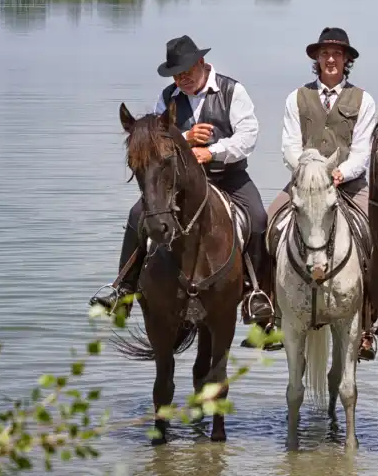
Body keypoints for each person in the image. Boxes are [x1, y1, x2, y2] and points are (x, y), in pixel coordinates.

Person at [89, 35, 275, 327]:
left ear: (201, 63)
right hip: (180, 184)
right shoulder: (167, 97)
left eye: (186, 72)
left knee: (259, 218)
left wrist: (211, 152)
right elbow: (154, 141)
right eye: (177, 75)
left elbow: (248, 137)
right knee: (138, 214)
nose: (182, 79)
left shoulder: (232, 91)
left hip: (229, 177)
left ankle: (256, 293)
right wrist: (187, 139)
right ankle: (123, 288)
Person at [261, 26, 378, 360]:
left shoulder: (364, 100)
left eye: (337, 54)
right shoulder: (295, 97)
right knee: (265, 225)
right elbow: (289, 145)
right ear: (316, 58)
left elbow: (362, 150)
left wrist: (342, 172)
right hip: (304, 182)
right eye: (325, 53)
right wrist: (308, 172)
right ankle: (272, 314)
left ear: (346, 60)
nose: (330, 59)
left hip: (349, 183)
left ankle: (369, 325)